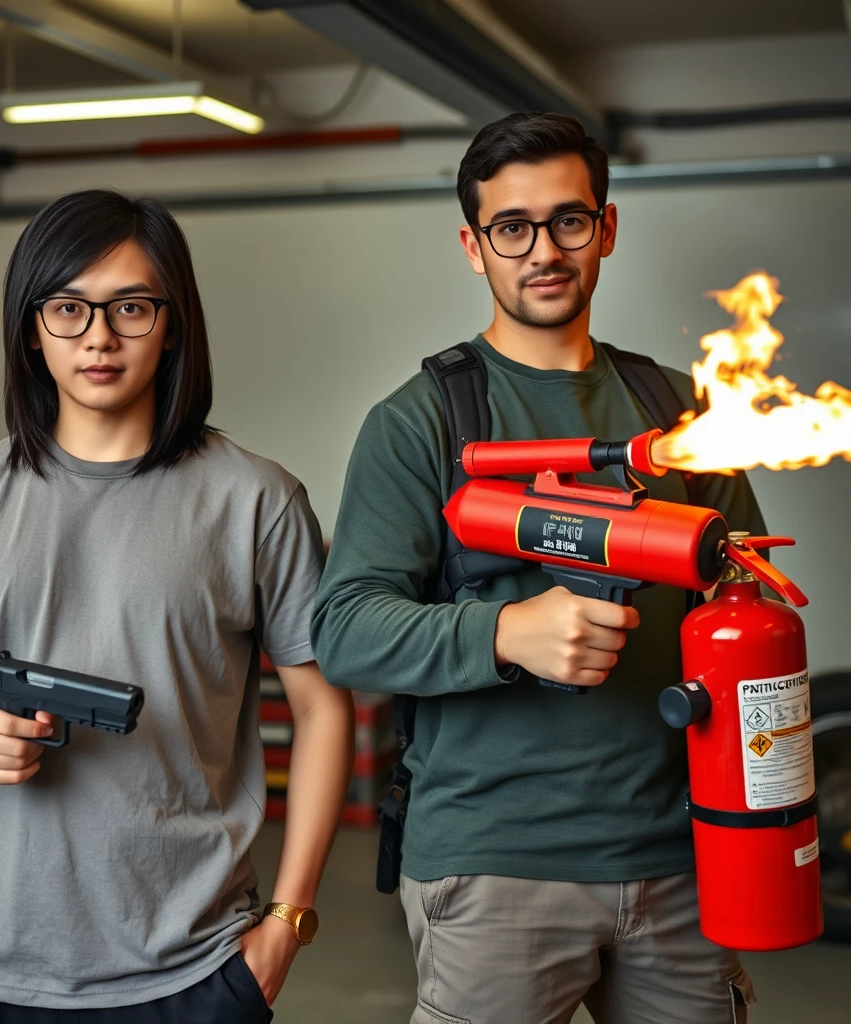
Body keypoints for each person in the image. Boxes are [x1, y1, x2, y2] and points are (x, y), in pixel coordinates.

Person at [311, 112, 764, 1024]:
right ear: (474, 247)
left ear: (607, 228)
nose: (542, 250)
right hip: (495, 868)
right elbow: (345, 629)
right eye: (510, 228)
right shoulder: (419, 421)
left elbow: (747, 596)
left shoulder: (679, 410)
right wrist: (508, 634)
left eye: (568, 220)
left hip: (681, 859)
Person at [0, 189, 354, 1024]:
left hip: (195, 968)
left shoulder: (256, 500)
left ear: (172, 324)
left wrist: (285, 922)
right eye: (68, 308)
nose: (98, 336)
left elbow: (323, 710)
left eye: (130, 306)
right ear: (32, 327)